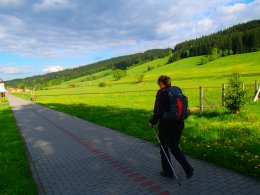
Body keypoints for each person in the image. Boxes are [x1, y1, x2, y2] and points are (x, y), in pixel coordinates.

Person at [149, 75, 194, 179]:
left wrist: (152, 122)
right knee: (174, 147)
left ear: (161, 82)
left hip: (166, 125)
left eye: (158, 82)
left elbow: (158, 111)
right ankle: (188, 169)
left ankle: (168, 173)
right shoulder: (176, 91)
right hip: (179, 123)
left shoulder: (162, 93)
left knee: (164, 149)